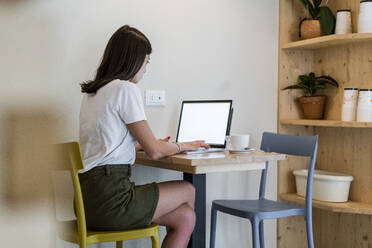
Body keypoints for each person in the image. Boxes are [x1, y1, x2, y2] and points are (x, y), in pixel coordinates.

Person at [78, 25, 210, 248]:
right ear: (133, 59)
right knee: (188, 189)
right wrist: (186, 145)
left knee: (185, 217)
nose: (146, 68)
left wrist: (136, 146)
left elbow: (106, 145)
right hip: (112, 202)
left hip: (85, 203)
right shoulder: (124, 89)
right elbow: (156, 151)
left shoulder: (93, 93)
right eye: (146, 61)